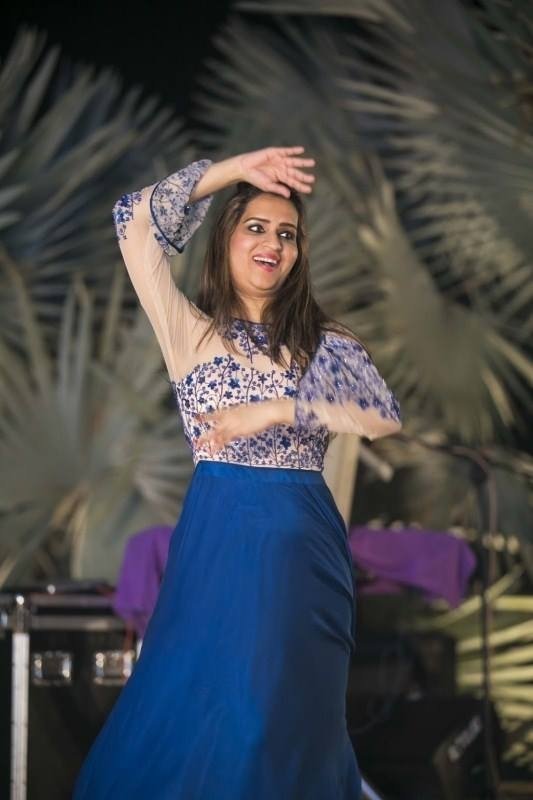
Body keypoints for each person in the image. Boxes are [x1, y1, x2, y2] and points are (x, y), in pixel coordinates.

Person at [73, 146, 402, 799]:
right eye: (256, 227)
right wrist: (235, 170)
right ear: (225, 238)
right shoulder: (190, 332)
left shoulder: (325, 343)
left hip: (305, 560)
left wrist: (276, 409)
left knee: (288, 727)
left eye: (287, 234)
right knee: (216, 719)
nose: (272, 244)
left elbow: (381, 416)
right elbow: (132, 221)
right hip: (219, 548)